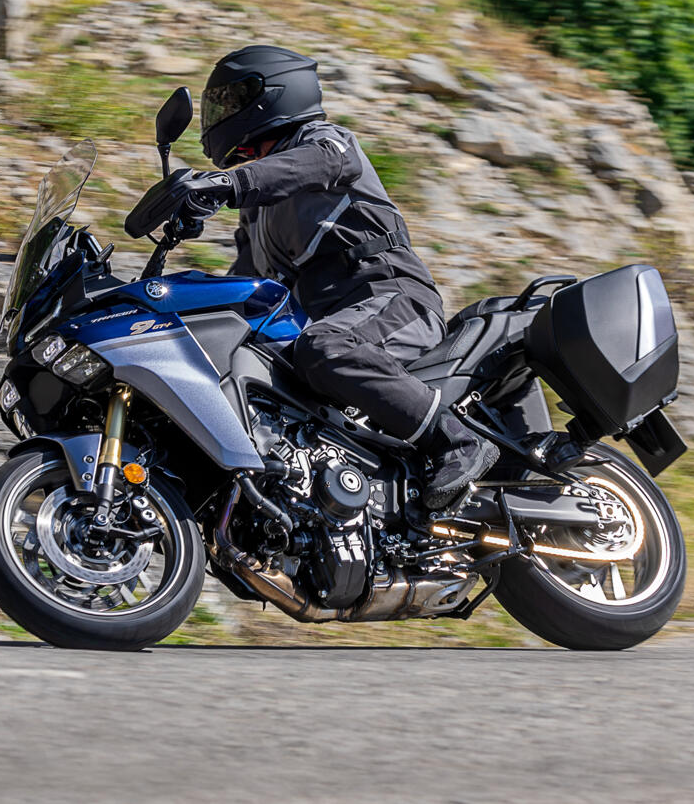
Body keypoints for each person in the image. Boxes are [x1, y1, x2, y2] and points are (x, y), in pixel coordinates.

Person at [164, 44, 498, 510]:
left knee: (326, 348)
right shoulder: (257, 214)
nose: (222, 115)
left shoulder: (326, 144)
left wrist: (228, 183)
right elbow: (241, 290)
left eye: (232, 101)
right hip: (329, 318)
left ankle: (457, 441)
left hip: (389, 295)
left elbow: (310, 165)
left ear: (273, 94)